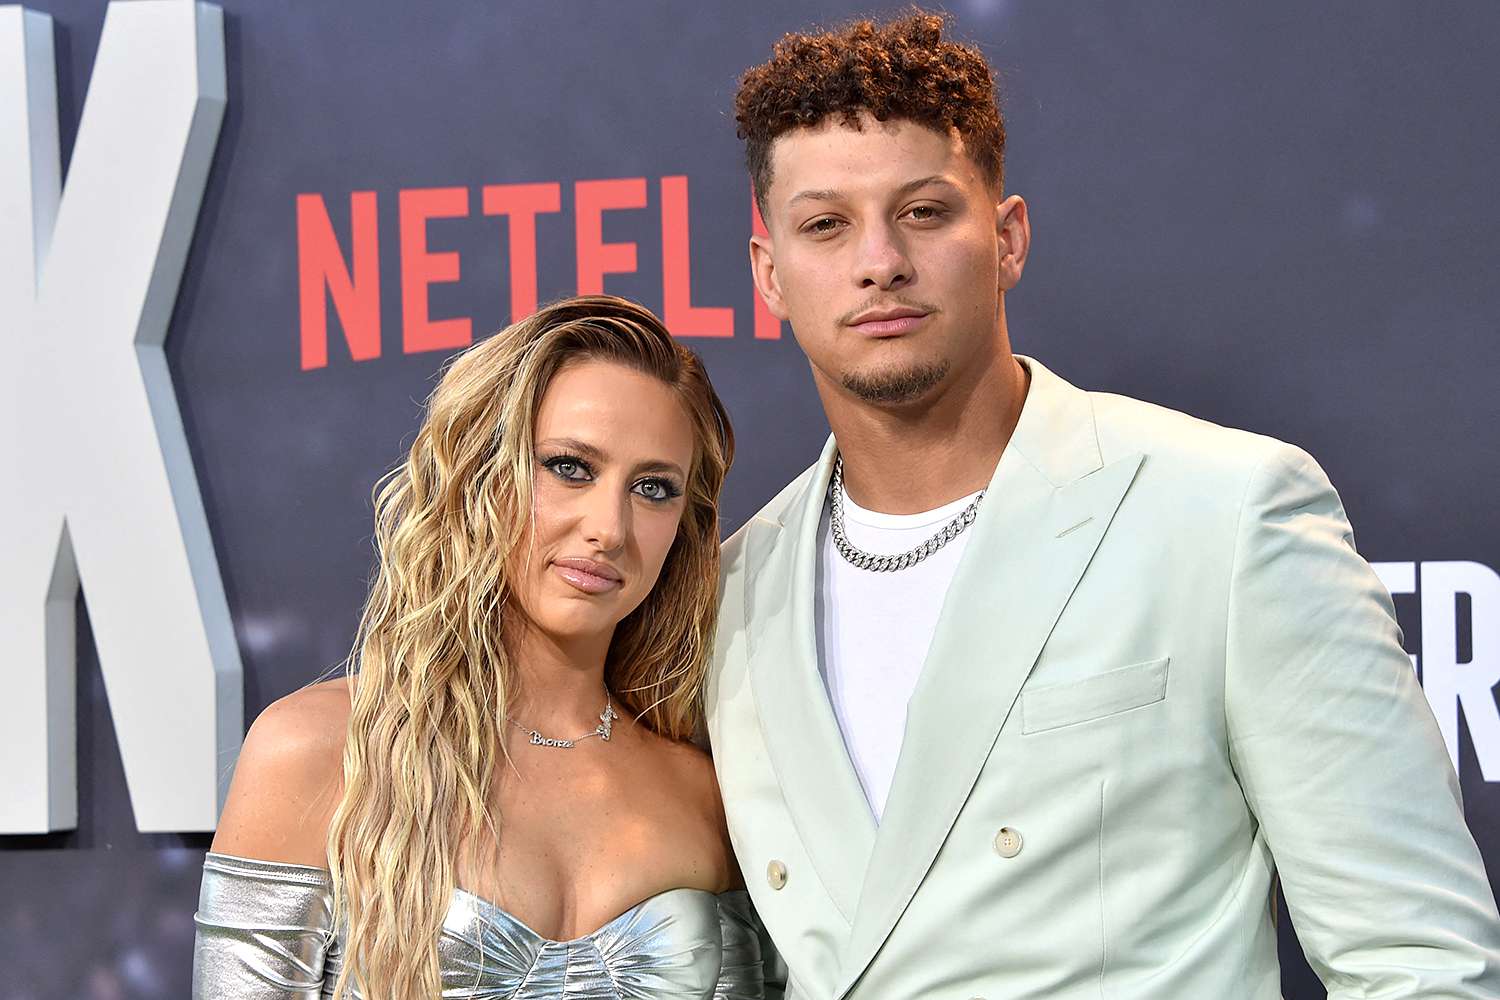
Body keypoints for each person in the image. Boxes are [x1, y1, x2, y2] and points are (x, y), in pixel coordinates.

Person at [705, 11, 1500, 1000]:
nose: (880, 262)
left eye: (923, 212)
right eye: (826, 224)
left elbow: (1418, 960)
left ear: (1007, 239)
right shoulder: (731, 592)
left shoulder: (1224, 513)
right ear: (769, 273)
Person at [193, 295, 764, 999]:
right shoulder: (321, 751)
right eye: (570, 467)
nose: (609, 527)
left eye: (653, 488)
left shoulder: (706, 793)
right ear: (478, 474)